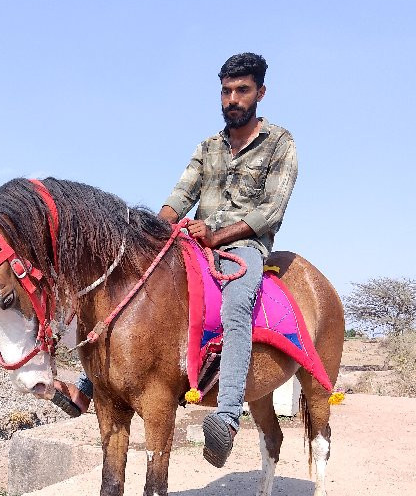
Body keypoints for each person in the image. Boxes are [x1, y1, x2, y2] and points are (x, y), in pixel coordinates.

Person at [54, 52, 297, 470]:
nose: (232, 99)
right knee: (132, 286)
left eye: (242, 90)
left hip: (243, 249)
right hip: (195, 241)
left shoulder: (280, 144)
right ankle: (87, 384)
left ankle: (227, 415)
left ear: (261, 92)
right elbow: (181, 196)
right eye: (226, 91)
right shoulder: (208, 147)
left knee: (238, 305)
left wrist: (218, 235)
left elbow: (270, 211)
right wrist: (145, 233)